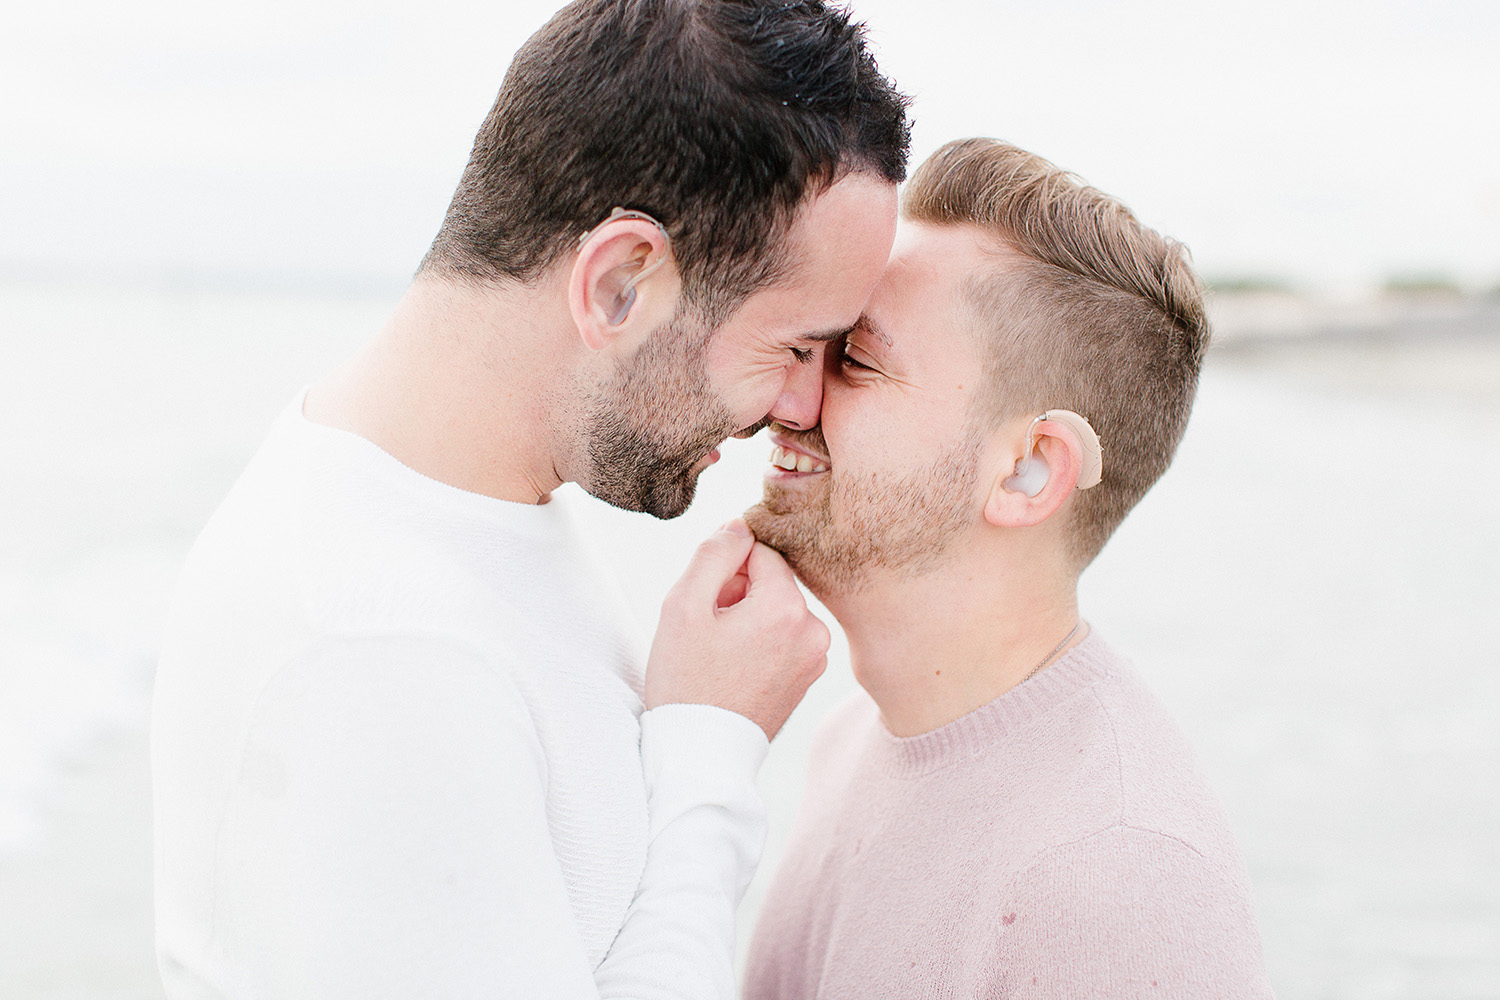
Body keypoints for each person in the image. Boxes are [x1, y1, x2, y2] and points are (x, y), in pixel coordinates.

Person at [151, 1, 910, 997]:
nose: (804, 405)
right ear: (620, 284)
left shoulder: (457, 515)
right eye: (795, 346)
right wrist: (708, 754)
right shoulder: (384, 650)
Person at [742, 138, 1274, 998]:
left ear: (1030, 471)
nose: (790, 397)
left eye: (858, 360)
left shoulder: (1117, 874)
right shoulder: (851, 741)